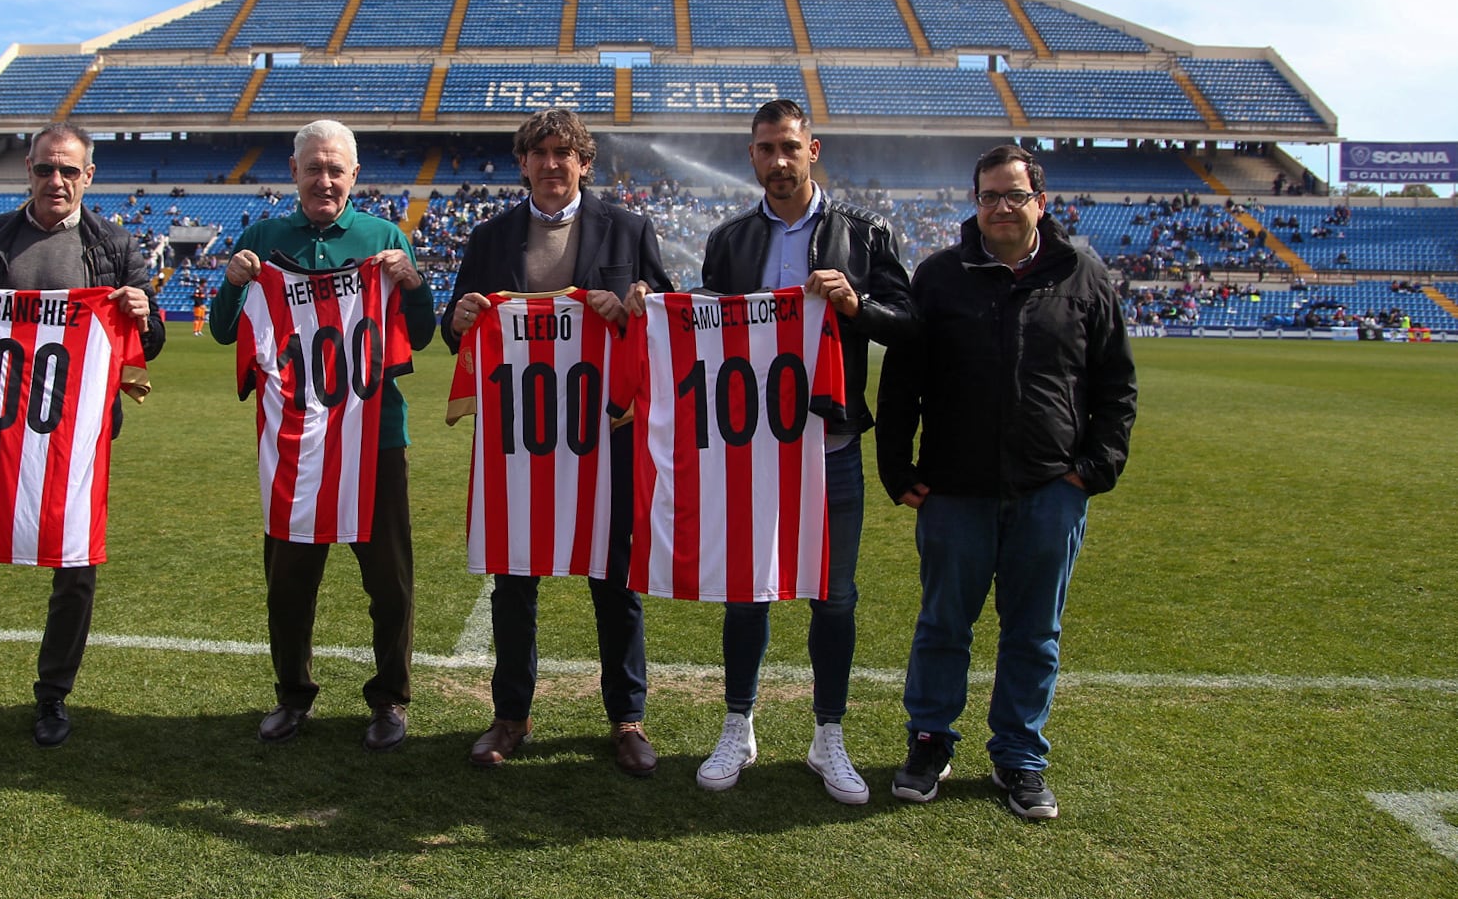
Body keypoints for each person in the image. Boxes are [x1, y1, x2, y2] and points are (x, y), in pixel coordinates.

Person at [875, 144, 1136, 820]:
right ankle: (930, 740)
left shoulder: (1082, 273)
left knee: (1033, 632)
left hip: (1050, 489)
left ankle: (1020, 755)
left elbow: (1115, 382)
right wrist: (896, 466)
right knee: (942, 625)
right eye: (989, 195)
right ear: (976, 200)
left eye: (1013, 195)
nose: (1000, 207)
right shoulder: (939, 276)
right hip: (955, 490)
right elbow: (904, 378)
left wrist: (1094, 468)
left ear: (1039, 202)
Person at [0, 121, 164, 751]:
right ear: (29, 169)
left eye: (69, 170)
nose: (57, 181)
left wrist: (144, 314)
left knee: (75, 565)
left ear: (88, 177)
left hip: (75, 437)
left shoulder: (113, 246)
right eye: (46, 168)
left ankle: (52, 696)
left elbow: (144, 346)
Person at [693, 99, 917, 801]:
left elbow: (911, 325)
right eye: (766, 148)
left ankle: (829, 734)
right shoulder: (730, 240)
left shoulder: (864, 232)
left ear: (813, 149)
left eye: (790, 146)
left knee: (835, 597)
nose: (779, 160)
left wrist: (857, 304)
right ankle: (739, 722)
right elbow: (708, 333)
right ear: (752, 156)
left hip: (833, 443)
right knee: (745, 595)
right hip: (752, 444)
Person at [442, 107, 674, 776]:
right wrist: (456, 320)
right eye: (539, 152)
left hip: (605, 433)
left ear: (584, 163)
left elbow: (661, 305)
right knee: (513, 581)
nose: (550, 163)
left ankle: (627, 718)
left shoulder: (627, 226)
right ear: (523, 163)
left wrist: (633, 301)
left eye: (563, 152)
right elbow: (457, 324)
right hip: (518, 438)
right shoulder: (490, 235)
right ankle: (510, 715)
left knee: (614, 579)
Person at [209, 120, 433, 752]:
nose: (325, 180)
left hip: (375, 434)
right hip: (293, 438)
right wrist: (233, 280)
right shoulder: (262, 238)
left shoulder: (383, 237)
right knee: (289, 579)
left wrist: (413, 282)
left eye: (336, 169)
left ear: (354, 177)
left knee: (389, 578)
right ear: (294, 171)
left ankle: (390, 698)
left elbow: (416, 336)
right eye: (314, 168)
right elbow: (228, 332)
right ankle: (292, 694)